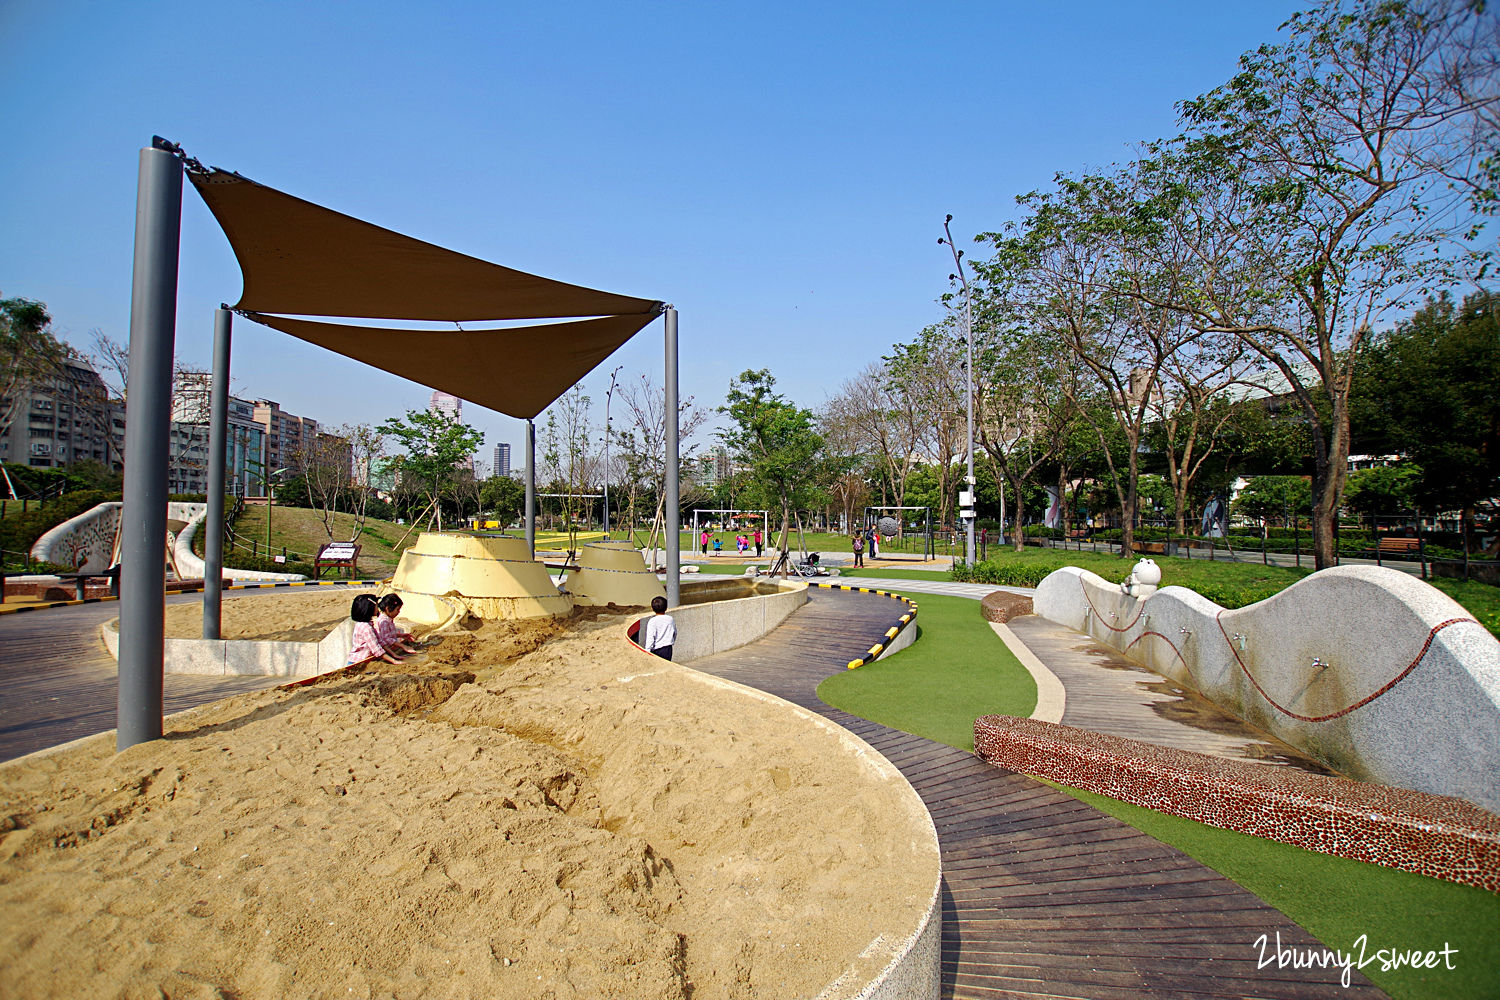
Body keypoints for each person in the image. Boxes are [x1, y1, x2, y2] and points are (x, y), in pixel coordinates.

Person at [347, 594, 404, 667]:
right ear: (369, 608)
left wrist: (394, 654)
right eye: (376, 606)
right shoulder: (366, 628)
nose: (378, 609)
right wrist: (394, 661)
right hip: (358, 663)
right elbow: (376, 649)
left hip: (362, 660)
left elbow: (380, 642)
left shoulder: (367, 624)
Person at [642, 595, 677, 660]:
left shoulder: (652, 621)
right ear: (666, 608)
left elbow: (650, 637)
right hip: (668, 648)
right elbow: (674, 633)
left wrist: (647, 650)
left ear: (652, 608)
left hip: (656, 649)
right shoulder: (670, 619)